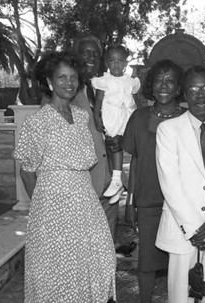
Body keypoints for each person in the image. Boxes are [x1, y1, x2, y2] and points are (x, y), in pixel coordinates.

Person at [14, 51, 116, 302]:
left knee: (99, 258)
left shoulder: (82, 117)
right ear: (49, 81)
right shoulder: (37, 122)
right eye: (61, 77)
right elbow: (26, 172)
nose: (69, 83)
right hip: (53, 207)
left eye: (73, 77)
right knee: (58, 270)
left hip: (86, 202)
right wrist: (45, 209)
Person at [155, 66, 205, 303]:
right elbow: (170, 184)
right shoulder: (168, 130)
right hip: (185, 232)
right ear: (183, 93)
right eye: (193, 89)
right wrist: (195, 230)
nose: (200, 95)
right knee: (182, 297)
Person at [122, 59, 186, 303]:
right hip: (148, 201)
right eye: (159, 79)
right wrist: (130, 202)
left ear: (179, 87)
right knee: (147, 261)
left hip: (181, 204)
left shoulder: (189, 118)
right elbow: (135, 161)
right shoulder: (139, 117)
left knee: (179, 262)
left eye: (170, 80)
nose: (164, 85)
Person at [70, 35, 120, 239]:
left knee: (107, 245)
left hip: (109, 180)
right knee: (81, 246)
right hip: (80, 183)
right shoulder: (64, 89)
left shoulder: (106, 88)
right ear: (76, 56)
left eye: (96, 53)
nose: (91, 57)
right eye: (85, 52)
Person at [91, 44, 141, 200]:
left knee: (119, 147)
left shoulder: (131, 81)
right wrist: (97, 118)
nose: (116, 64)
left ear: (126, 63)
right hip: (111, 116)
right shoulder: (104, 81)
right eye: (112, 61)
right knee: (112, 146)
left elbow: (135, 100)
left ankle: (118, 182)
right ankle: (117, 180)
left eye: (120, 61)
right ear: (107, 63)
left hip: (126, 116)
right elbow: (98, 102)